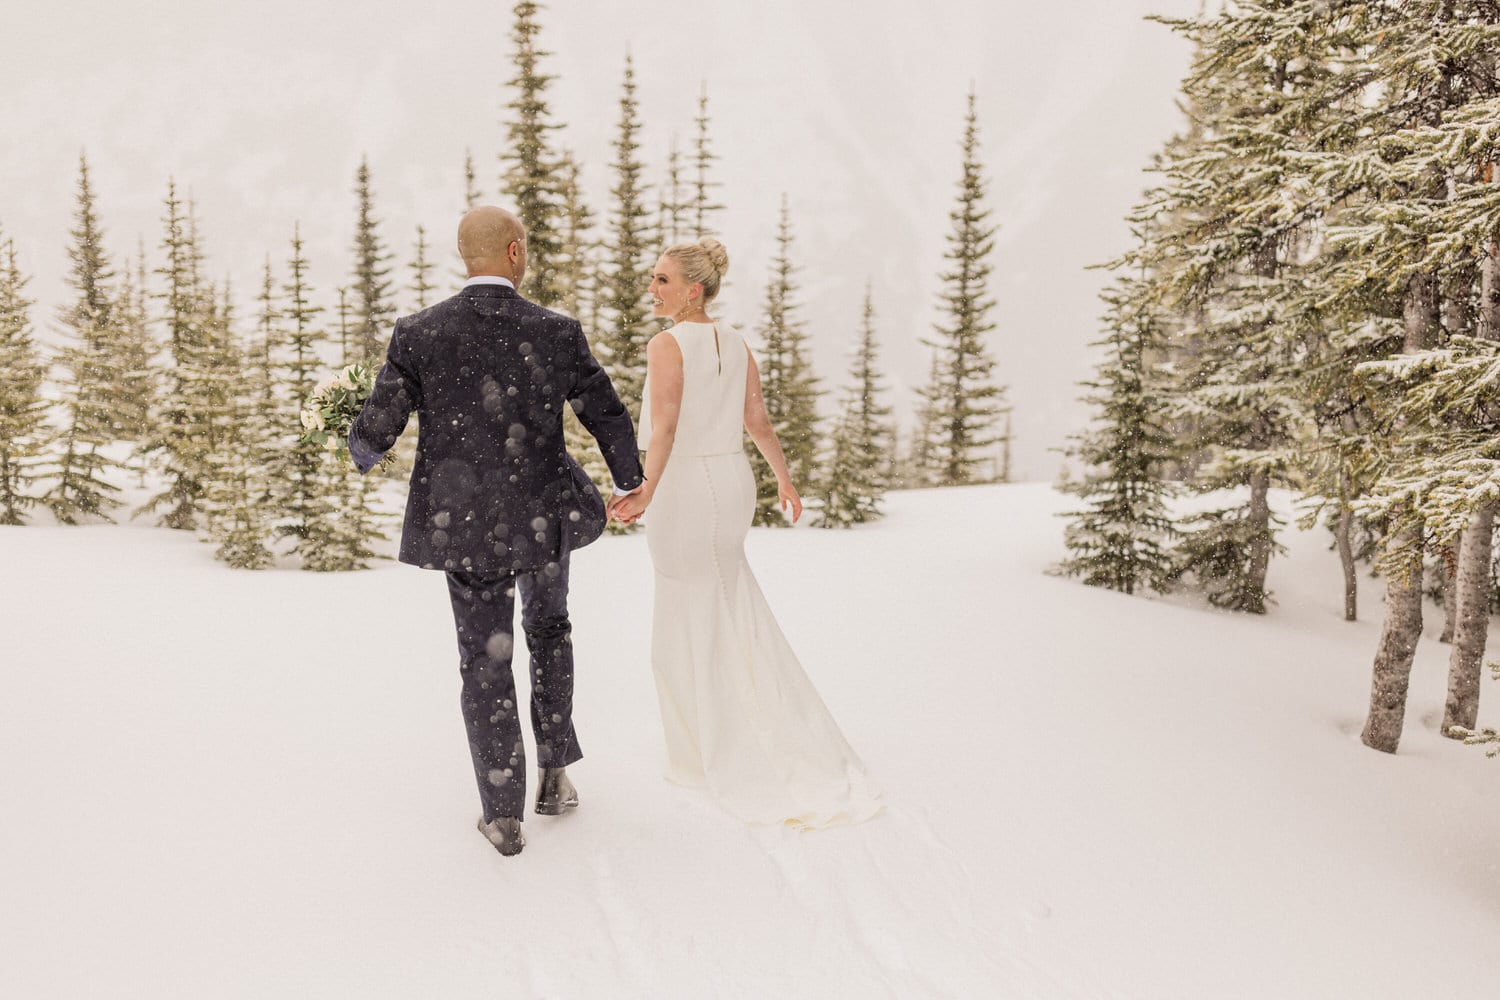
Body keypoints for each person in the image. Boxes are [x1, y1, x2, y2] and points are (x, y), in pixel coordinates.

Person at [349, 206, 644, 857]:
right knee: (548, 632)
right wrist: (630, 483)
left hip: (466, 527)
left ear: (464, 255)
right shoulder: (556, 332)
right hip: (543, 521)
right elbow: (607, 411)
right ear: (515, 252)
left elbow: (373, 436)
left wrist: (356, 437)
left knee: (485, 663)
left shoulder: (419, 334)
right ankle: (555, 774)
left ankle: (503, 815)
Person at [610, 239, 884, 829]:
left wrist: (646, 489)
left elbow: (665, 428)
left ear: (694, 290)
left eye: (662, 280)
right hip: (731, 480)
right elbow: (755, 418)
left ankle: (706, 749)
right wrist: (783, 480)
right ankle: (747, 727)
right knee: (729, 603)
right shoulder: (735, 343)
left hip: (683, 483)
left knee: (683, 613)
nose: (652, 289)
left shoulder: (665, 345)